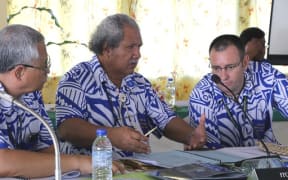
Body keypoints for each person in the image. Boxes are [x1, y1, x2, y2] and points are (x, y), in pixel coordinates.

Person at [55, 13, 206, 158]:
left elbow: (165, 118)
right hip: (92, 171)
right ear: (107, 49)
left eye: (139, 47)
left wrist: (191, 135)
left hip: (137, 169)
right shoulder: (76, 79)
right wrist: (112, 136)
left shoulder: (139, 83)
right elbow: (67, 128)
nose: (138, 54)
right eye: (130, 47)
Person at [0, 24, 124, 178]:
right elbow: (3, 162)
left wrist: (78, 165)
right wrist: (78, 162)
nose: (48, 71)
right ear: (19, 72)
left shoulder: (31, 94)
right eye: (44, 65)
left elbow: (48, 150)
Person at [188, 34, 288, 149]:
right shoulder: (201, 94)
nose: (223, 76)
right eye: (216, 68)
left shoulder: (266, 75)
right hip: (225, 164)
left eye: (230, 67)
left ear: (245, 62)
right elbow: (211, 155)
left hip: (269, 160)